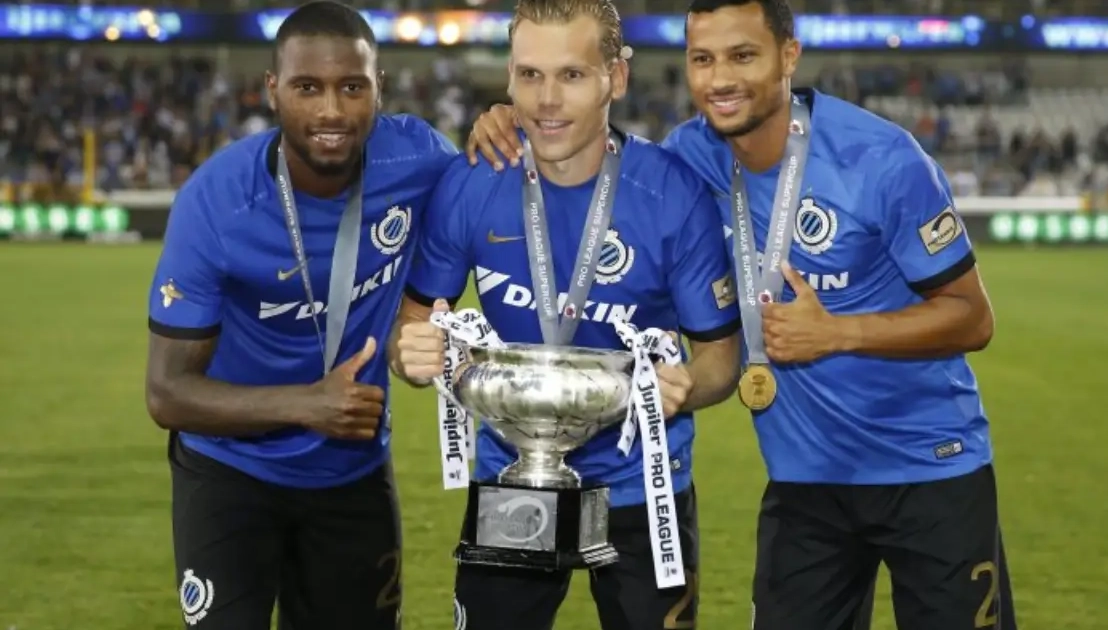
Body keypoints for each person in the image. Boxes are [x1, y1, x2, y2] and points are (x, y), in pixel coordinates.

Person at [462, 1, 1021, 629]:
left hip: (930, 468)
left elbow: (972, 318)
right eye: (703, 59)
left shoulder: (880, 160)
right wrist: (512, 120)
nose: (720, 78)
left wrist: (838, 334)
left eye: (743, 56)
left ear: (789, 55)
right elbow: (597, 160)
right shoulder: (689, 160)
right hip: (804, 483)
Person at [387, 1, 743, 629]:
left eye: (572, 75)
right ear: (509, 77)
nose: (547, 100)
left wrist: (687, 385)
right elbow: (414, 324)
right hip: (514, 475)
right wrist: (410, 352)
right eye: (530, 75)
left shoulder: (672, 195)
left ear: (616, 78)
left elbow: (721, 356)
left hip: (640, 484)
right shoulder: (473, 182)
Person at [142, 2, 458, 628]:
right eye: (307, 87)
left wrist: (502, 124)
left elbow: (493, 194)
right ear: (273, 89)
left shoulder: (419, 159)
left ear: (379, 88)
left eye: (352, 87)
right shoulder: (217, 201)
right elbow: (166, 393)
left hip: (351, 472)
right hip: (229, 470)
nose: (332, 111)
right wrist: (308, 405)